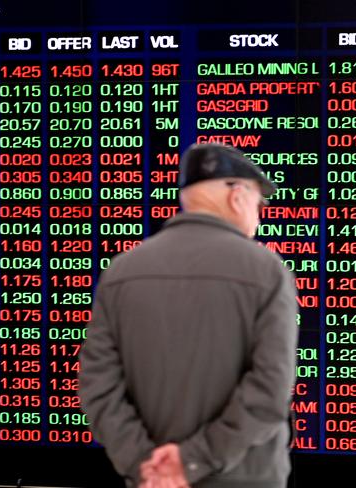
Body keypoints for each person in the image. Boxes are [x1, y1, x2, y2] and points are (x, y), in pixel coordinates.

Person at [78, 142, 299, 488]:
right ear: (236, 196)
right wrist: (192, 461)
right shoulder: (267, 271)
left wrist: (145, 464)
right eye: (259, 202)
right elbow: (271, 389)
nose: (259, 215)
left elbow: (97, 385)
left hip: (151, 481)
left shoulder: (121, 271)